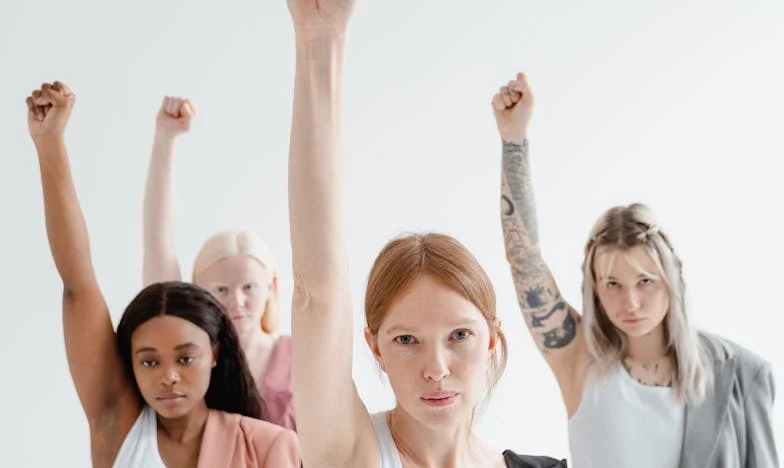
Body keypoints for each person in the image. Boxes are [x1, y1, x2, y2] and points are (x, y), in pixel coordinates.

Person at [284, 1, 567, 467]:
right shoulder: (355, 452)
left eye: (459, 335)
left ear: (493, 338)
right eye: (405, 340)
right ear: (374, 346)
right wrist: (320, 41)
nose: (436, 369)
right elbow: (317, 292)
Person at [494, 73, 778, 468]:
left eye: (645, 281)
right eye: (612, 284)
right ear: (594, 287)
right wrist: (514, 140)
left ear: (671, 279)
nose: (630, 301)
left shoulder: (740, 375)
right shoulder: (580, 362)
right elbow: (525, 259)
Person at [26, 81, 301, 468]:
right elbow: (77, 282)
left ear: (214, 354)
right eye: (150, 362)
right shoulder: (118, 427)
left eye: (186, 359)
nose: (168, 377)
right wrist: (49, 144)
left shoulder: (268, 445)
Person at [142, 96, 295, 431]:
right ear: (201, 292)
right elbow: (158, 247)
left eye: (249, 287)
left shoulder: (297, 355)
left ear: (270, 288)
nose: (236, 301)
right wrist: (165, 141)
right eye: (221, 289)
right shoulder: (193, 359)